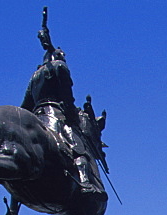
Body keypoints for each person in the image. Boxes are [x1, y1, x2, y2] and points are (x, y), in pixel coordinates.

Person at [20, 8, 106, 198]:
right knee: (78, 147)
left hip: (35, 116)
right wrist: (73, 115)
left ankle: (12, 214)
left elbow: (25, 105)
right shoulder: (60, 67)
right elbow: (68, 98)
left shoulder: (34, 76)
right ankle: (85, 182)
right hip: (54, 115)